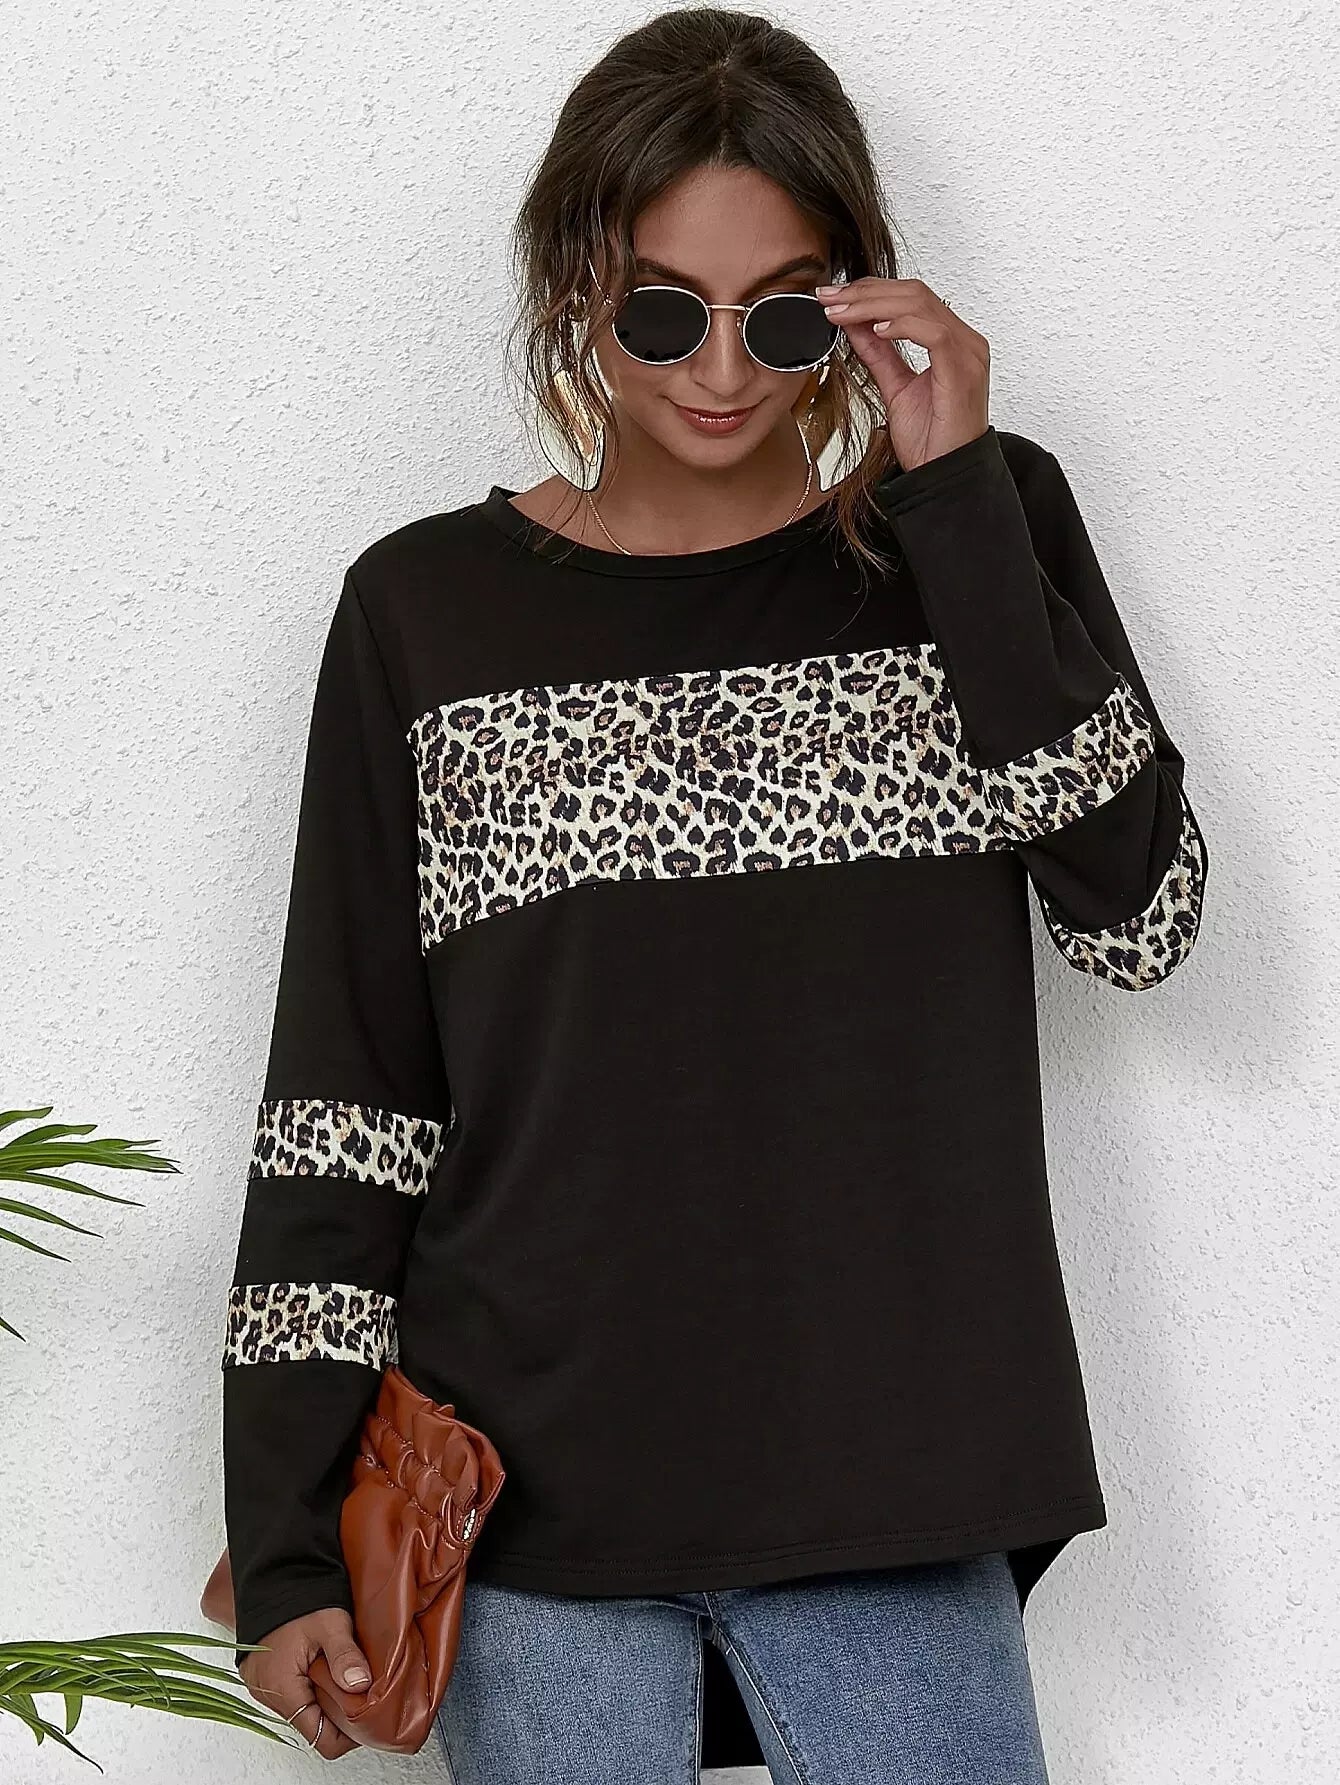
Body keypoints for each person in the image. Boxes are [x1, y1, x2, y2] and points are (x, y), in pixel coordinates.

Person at [219, 8, 1209, 1780]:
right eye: (664, 311)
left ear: (856, 299)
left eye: (786, 310)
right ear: (572, 288)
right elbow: (347, 1105)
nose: (725, 370)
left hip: (893, 1480)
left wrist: (957, 494)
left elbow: (1141, 918)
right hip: (529, 1511)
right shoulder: (424, 617)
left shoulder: (965, 533)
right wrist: (286, 1539)